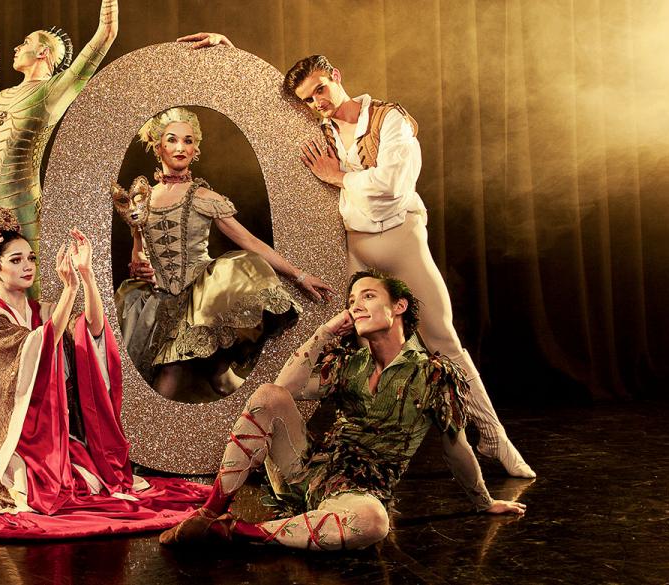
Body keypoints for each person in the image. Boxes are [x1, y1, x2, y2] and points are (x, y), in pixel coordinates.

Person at [285, 54, 534, 478]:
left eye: (321, 90)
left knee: (443, 341)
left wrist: (340, 177)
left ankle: (494, 438)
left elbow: (394, 185)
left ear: (336, 76)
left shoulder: (390, 119)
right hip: (355, 248)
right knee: (367, 354)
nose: (318, 103)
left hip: (399, 239)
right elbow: (261, 99)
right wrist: (224, 43)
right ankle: (370, 456)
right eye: (309, 100)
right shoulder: (320, 127)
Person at [159, 271, 527, 550]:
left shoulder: (433, 374)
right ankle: (210, 511)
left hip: (358, 494)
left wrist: (483, 501)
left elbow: (456, 447)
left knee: (373, 523)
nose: (356, 304)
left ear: (398, 307)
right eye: (352, 299)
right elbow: (283, 391)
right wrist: (324, 332)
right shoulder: (349, 363)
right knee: (269, 394)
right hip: (308, 470)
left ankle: (232, 532)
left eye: (368, 296)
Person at [0, 208, 206, 536]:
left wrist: (86, 276)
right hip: (9, 436)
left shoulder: (43, 310)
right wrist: (68, 291)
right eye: (15, 260)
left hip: (50, 431)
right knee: (36, 491)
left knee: (90, 479)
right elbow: (37, 348)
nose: (27, 266)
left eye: (30, 258)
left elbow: (92, 330)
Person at [113, 107, 334, 404]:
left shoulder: (205, 198)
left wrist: (299, 275)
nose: (181, 147)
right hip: (156, 302)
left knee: (188, 378)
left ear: (196, 149)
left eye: (188, 141)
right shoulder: (143, 198)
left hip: (203, 299)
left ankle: (255, 402)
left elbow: (250, 242)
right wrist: (140, 265)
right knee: (165, 385)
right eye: (172, 140)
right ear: (157, 146)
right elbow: (139, 253)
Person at [0, 0, 118, 295]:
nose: (17, 47)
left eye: (26, 42)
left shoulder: (51, 91)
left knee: (33, 287)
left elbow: (106, 33)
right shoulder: (2, 97)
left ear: (43, 52)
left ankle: (43, 340)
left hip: (27, 207)